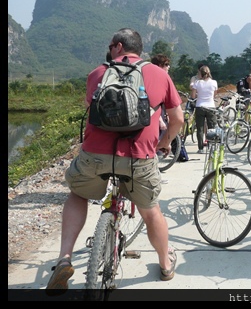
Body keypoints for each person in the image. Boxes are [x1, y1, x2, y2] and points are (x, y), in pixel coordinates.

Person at [46, 28, 184, 294]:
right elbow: (177, 119)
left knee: (77, 194)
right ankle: (165, 263)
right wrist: (164, 142)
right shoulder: (159, 74)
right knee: (150, 208)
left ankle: (64, 258)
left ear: (118, 47)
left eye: (110, 45)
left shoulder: (97, 74)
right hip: (138, 157)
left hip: (95, 155)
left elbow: (92, 108)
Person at [190, 65, 218, 154]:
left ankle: (201, 148)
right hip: (211, 106)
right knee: (211, 128)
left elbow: (193, 96)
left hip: (200, 107)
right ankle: (211, 147)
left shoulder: (197, 83)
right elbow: (214, 95)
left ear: (200, 74)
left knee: (200, 128)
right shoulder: (214, 82)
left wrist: (200, 95)